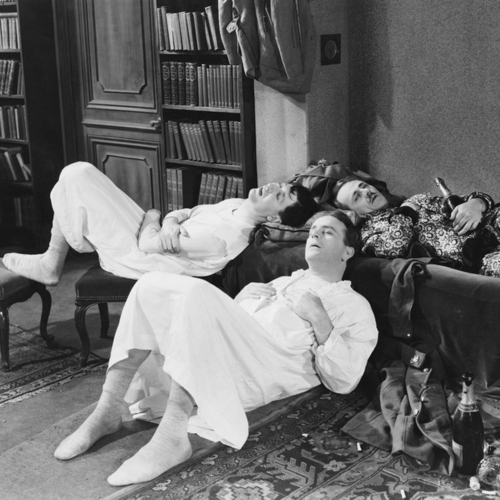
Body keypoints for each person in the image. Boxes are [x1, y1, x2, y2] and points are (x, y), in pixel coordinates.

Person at [53, 210, 378, 486]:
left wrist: (319, 317)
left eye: (328, 232)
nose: (315, 234)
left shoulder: (353, 305)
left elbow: (343, 380)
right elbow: (225, 329)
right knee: (148, 283)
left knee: (196, 294)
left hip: (267, 368)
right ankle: (109, 409)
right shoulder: (282, 282)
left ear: (347, 252)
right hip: (233, 356)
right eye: (314, 229)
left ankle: (173, 436)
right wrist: (237, 303)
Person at [2, 162, 317, 285]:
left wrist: (156, 216)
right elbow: (184, 213)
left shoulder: (220, 239)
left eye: (279, 196)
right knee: (77, 176)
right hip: (147, 231)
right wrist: (167, 222)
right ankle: (52, 261)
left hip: (135, 256)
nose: (271, 187)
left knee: (74, 176)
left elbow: (147, 243)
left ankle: (52, 261)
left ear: (273, 217)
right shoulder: (235, 205)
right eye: (280, 186)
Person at [332, 176, 500, 277]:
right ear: (355, 213)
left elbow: (471, 200)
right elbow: (394, 247)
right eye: (357, 197)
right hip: (479, 258)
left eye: (363, 186)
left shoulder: (416, 199)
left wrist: (476, 203)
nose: (366, 192)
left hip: (491, 223)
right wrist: (406, 211)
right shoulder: (369, 234)